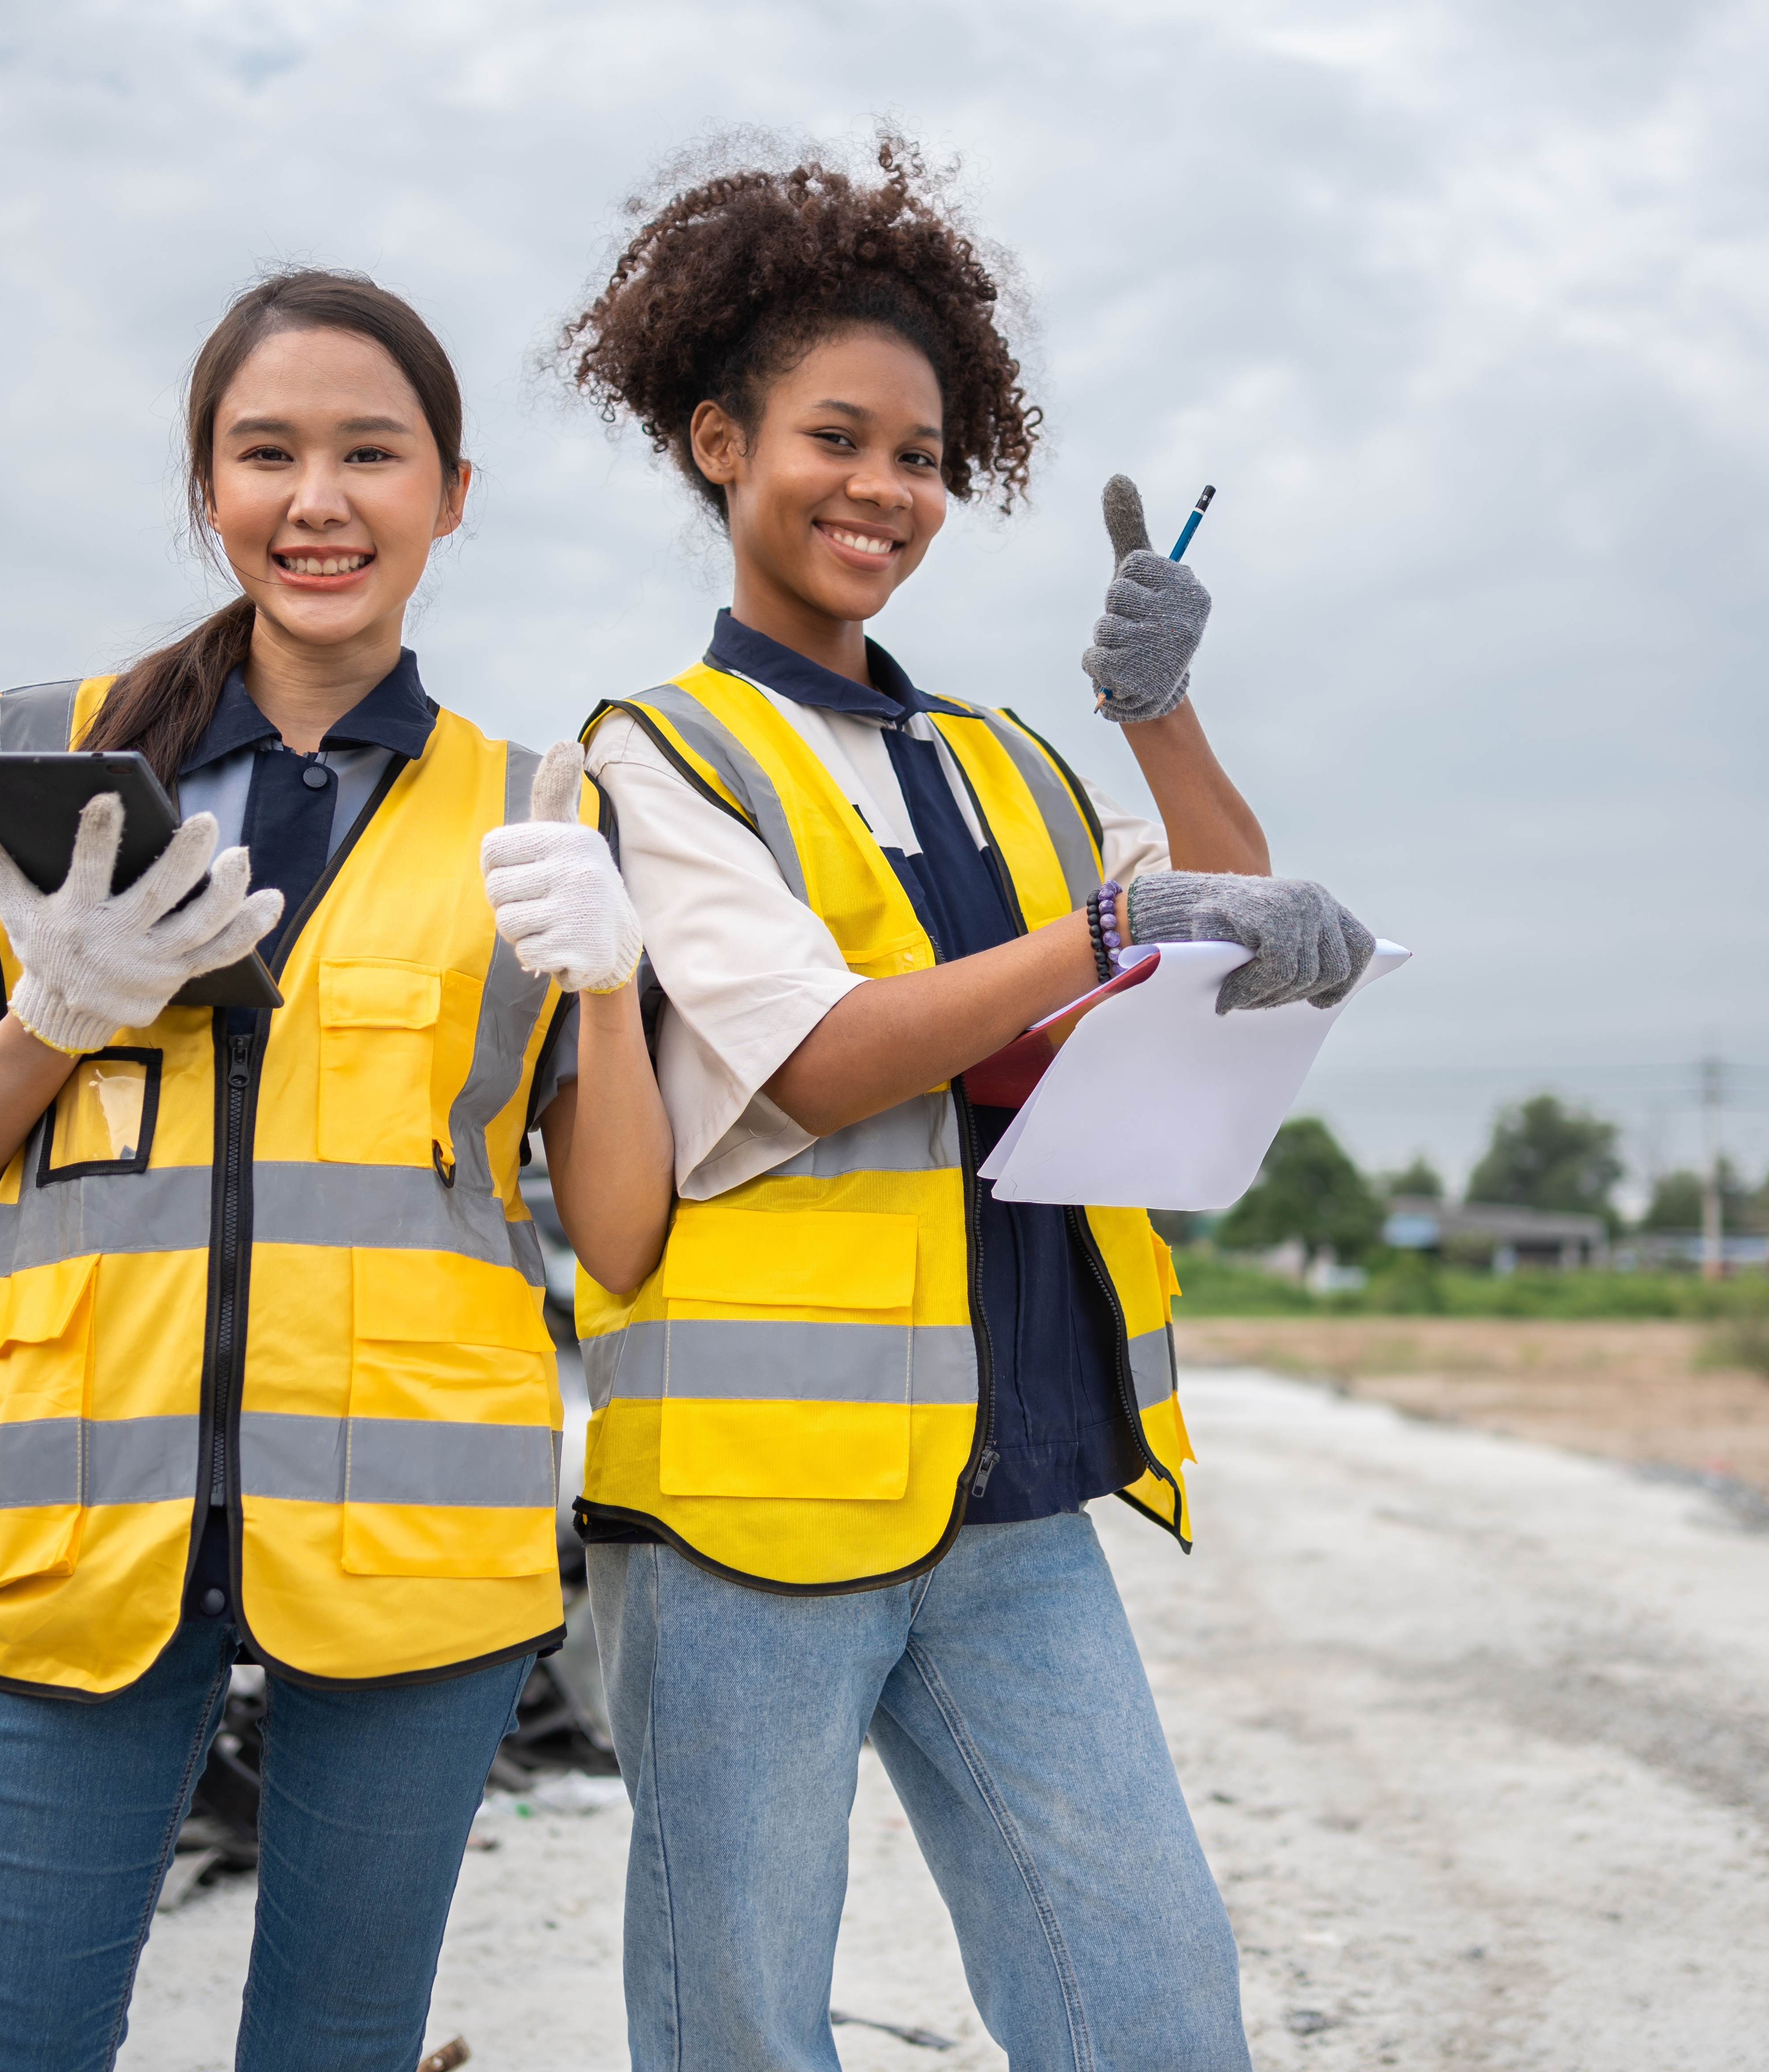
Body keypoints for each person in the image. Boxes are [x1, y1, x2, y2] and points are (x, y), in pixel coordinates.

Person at [550, 138, 1371, 2072]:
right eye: (837, 438)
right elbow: (825, 1049)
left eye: (921, 456)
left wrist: (1161, 719)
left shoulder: (1002, 755)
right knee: (740, 2029)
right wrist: (1107, 920)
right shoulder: (657, 753)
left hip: (1015, 1486)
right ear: (715, 443)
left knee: (1152, 2008)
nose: (885, 489)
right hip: (746, 1516)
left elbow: (1197, 949)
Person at [0, 268, 671, 2072]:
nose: (320, 500)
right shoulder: (33, 757)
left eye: (371, 454)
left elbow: (619, 1236)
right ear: (208, 488)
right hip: (71, 1502)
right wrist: (51, 1017)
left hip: (411, 1529)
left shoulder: (541, 812)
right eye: (269, 454)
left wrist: (613, 987)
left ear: (451, 494)